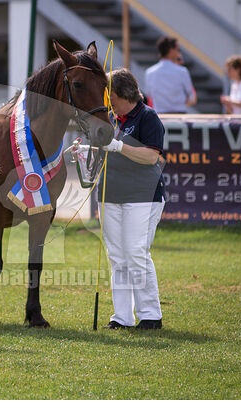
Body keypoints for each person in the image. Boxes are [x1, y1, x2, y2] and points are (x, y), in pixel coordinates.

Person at [97, 68, 166, 330]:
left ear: (121, 93)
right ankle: (122, 318)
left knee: (136, 252)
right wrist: (86, 151)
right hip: (110, 195)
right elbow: (106, 152)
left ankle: (150, 315)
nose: (107, 99)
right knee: (117, 256)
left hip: (143, 196)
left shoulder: (148, 117)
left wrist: (119, 146)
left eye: (109, 93)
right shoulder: (112, 119)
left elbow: (151, 156)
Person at [145, 36, 196, 113]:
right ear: (171, 50)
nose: (178, 53)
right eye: (177, 49)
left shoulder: (149, 72)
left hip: (159, 115)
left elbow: (149, 96)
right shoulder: (182, 71)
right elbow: (192, 97)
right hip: (179, 115)